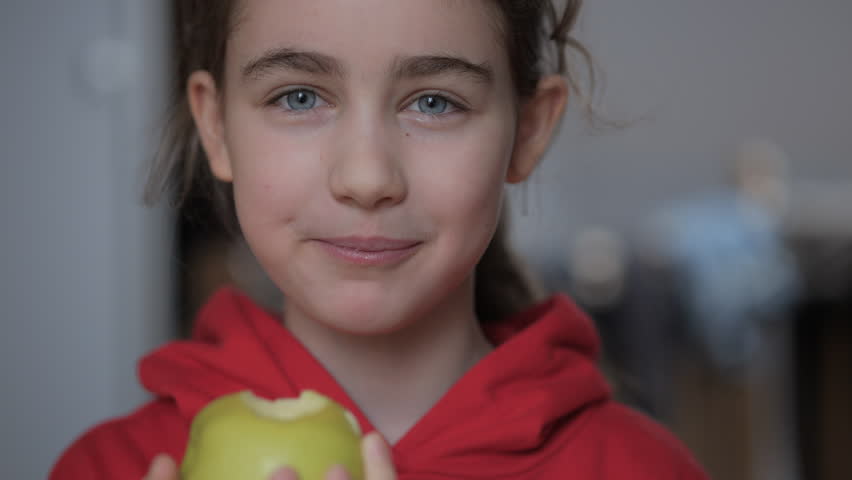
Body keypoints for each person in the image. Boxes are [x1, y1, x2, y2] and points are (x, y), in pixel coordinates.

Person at [51, 1, 710, 479]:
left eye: (433, 102)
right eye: (300, 97)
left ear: (529, 131)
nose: (366, 178)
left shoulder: (642, 469)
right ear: (217, 126)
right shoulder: (110, 469)